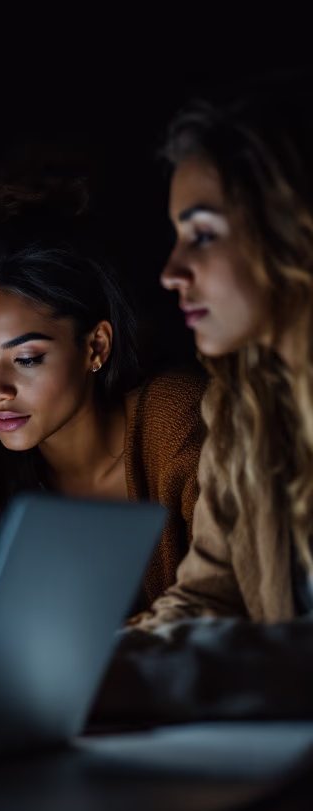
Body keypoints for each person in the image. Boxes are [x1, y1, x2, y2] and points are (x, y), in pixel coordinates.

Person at [0, 176, 206, 651]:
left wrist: (49, 643)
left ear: (96, 346)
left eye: (26, 359)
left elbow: (222, 601)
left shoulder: (174, 420)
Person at [97, 79, 313, 722]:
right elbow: (206, 598)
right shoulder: (243, 414)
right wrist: (79, 660)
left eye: (204, 234)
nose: (171, 272)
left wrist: (161, 675)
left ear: (292, 231)